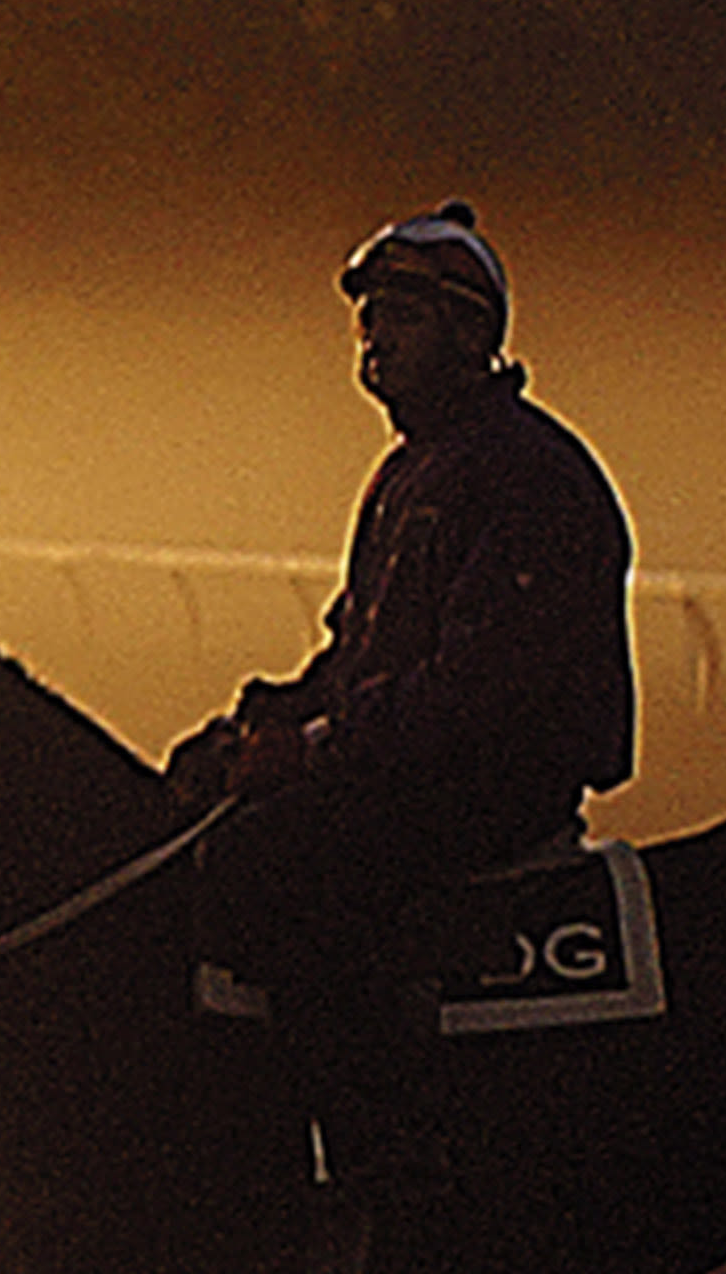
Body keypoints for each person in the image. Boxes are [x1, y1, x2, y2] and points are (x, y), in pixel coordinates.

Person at [160, 204, 635, 1205]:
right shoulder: (409, 473)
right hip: (414, 756)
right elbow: (356, 658)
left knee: (268, 862)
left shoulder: (530, 476)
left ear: (471, 334)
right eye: (368, 320)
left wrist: (314, 748)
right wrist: (271, 718)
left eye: (400, 319)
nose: (373, 341)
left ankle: (386, 1141)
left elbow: (480, 690)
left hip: (496, 778)